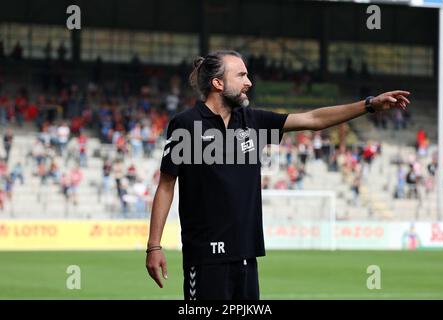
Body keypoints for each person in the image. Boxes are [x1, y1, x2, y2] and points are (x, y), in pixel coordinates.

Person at [145, 50, 411, 300]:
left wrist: (370, 105)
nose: (249, 82)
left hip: (247, 256)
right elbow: (166, 185)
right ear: (217, 83)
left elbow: (314, 119)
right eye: (241, 75)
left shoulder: (254, 122)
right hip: (206, 258)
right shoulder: (186, 124)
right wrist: (154, 245)